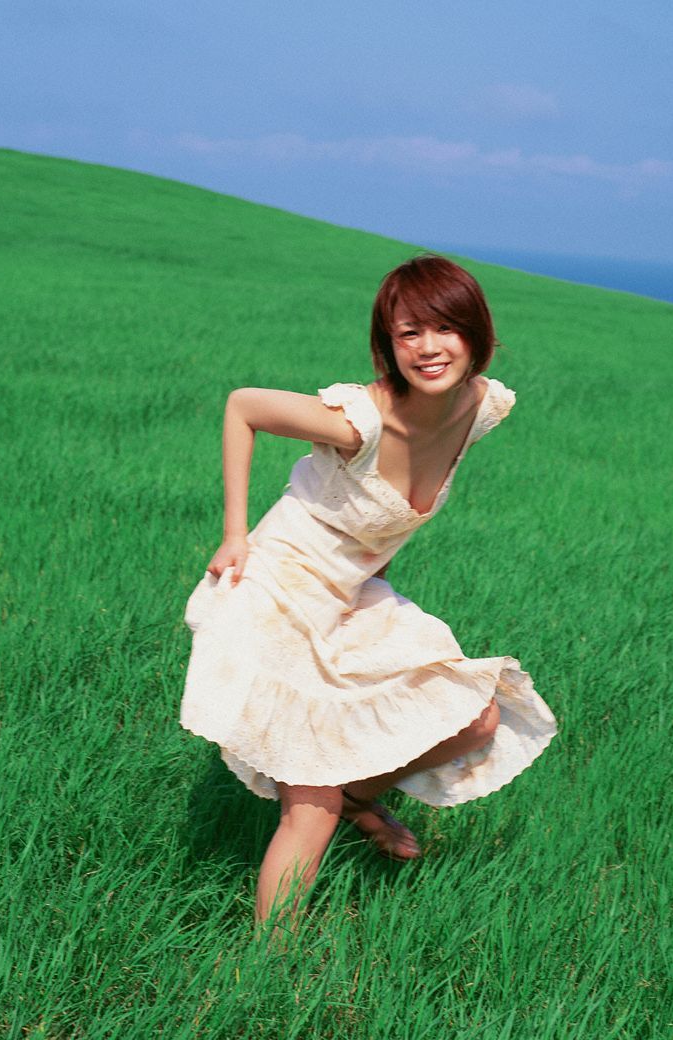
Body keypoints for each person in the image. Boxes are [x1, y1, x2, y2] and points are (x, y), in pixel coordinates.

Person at [180, 255, 557, 925]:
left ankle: (359, 798)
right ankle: (269, 963)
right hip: (280, 595)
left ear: (475, 333)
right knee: (311, 806)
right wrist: (235, 534)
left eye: (445, 328)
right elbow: (243, 407)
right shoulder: (359, 422)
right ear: (388, 345)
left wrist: (373, 569)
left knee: (476, 720)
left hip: (351, 595)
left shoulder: (479, 407)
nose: (428, 347)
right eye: (409, 333)